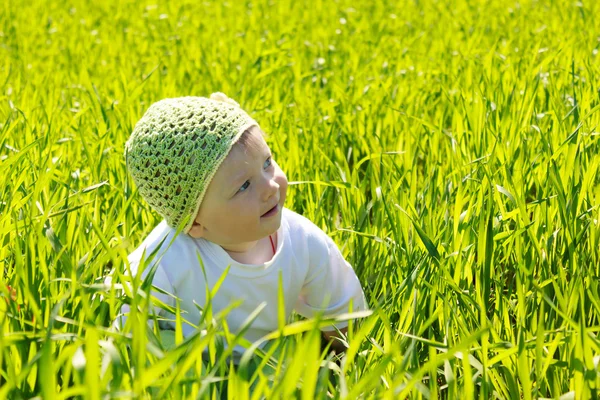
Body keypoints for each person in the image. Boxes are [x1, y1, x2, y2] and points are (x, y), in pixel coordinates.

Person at [116, 92, 367, 360]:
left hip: (264, 358)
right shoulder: (164, 260)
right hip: (193, 360)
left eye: (267, 163)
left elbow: (345, 315)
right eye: (244, 186)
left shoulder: (302, 241)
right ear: (194, 222)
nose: (270, 187)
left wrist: (345, 363)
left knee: (292, 368)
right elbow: (124, 332)